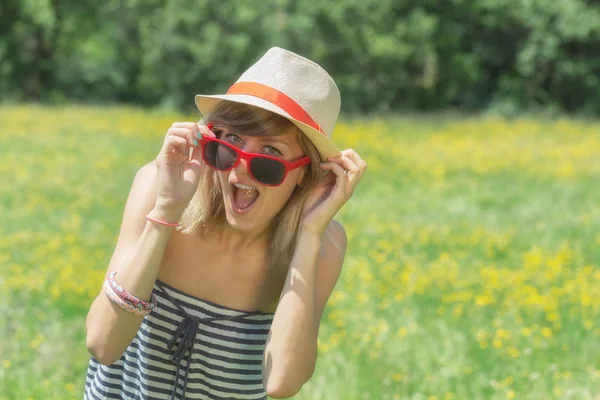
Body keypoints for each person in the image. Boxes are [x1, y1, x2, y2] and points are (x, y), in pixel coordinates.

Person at [83, 47, 367, 400]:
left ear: (304, 175)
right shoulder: (159, 189)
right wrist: (167, 211)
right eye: (231, 142)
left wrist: (308, 236)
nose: (241, 168)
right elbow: (102, 344)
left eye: (271, 155)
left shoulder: (323, 244)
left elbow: (282, 383)